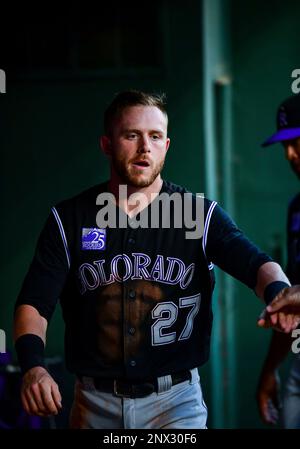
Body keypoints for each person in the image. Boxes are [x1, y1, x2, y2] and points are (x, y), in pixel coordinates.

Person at [13, 90, 300, 429]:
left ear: (166, 146)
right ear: (107, 144)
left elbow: (256, 265)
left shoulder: (196, 214)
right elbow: (34, 304)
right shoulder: (69, 219)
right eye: (131, 135)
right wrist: (33, 366)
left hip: (175, 403)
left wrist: (279, 292)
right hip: (94, 404)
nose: (144, 147)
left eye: (155, 136)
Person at [257, 94, 300, 428]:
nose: (290, 155)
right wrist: (270, 369)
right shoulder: (296, 209)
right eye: (285, 145)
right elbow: (293, 302)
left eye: (298, 143)